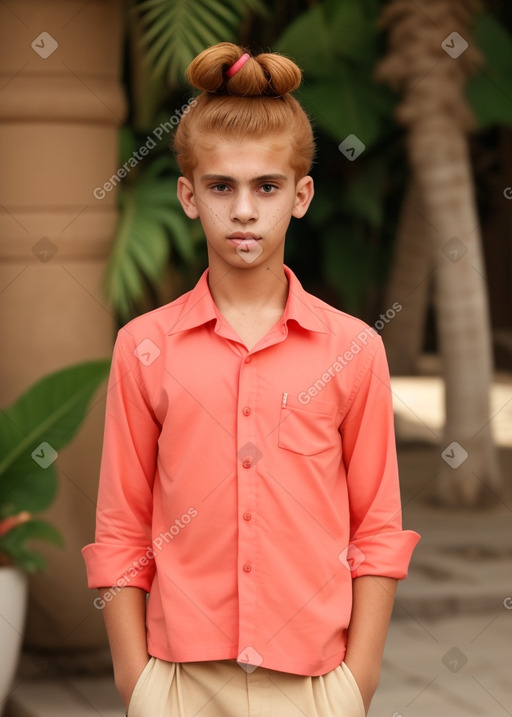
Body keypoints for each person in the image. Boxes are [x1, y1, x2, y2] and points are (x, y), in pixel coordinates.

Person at [82, 42, 420, 717]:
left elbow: (377, 528)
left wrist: (358, 682)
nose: (243, 211)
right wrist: (136, 681)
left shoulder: (353, 348)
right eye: (221, 186)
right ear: (188, 194)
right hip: (179, 684)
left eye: (266, 187)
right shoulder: (143, 348)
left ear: (301, 196)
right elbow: (122, 526)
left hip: (314, 686)